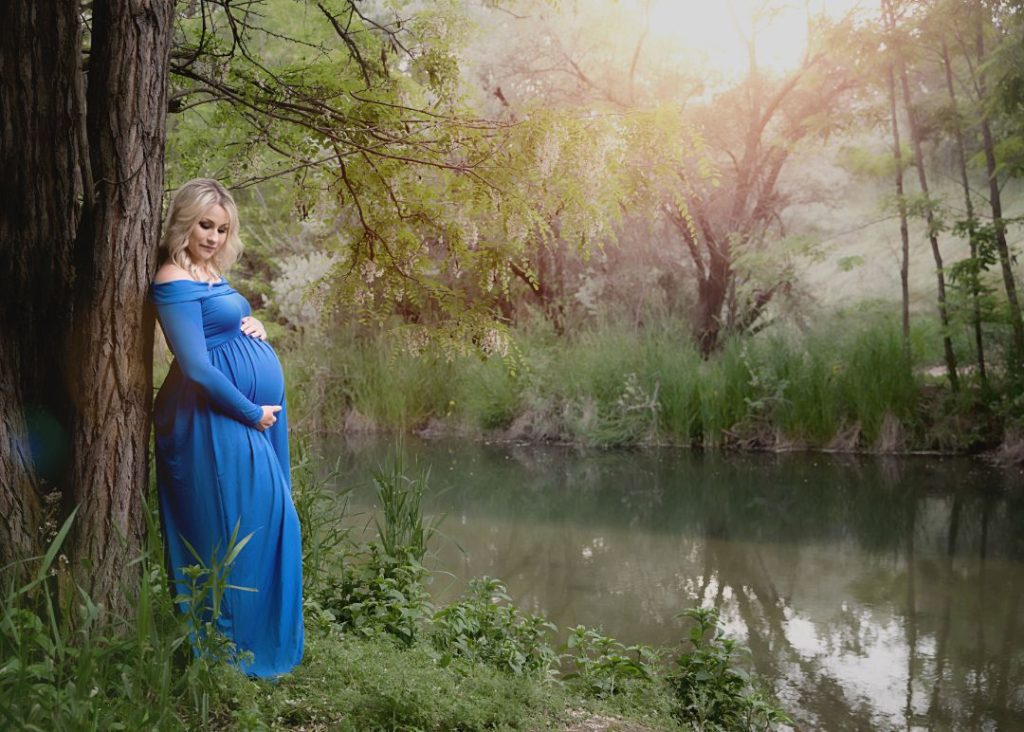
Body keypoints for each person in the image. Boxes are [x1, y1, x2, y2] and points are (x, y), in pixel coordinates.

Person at [151, 178, 303, 677]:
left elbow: (226, 322)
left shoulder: (209, 271)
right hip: (211, 418)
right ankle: (227, 652)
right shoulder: (173, 278)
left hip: (247, 415)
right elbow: (195, 366)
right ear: (184, 222)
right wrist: (250, 411)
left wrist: (254, 323)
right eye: (204, 225)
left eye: (222, 228)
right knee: (234, 524)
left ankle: (255, 642)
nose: (214, 236)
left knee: (272, 520)